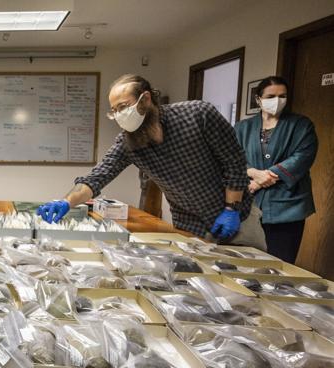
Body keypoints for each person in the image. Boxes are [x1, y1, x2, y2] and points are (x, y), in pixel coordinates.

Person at [38, 74, 266, 250]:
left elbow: (234, 162)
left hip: (238, 217)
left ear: (145, 98)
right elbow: (97, 177)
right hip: (190, 224)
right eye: (114, 111)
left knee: (254, 283)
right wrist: (67, 202)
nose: (119, 115)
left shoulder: (198, 114)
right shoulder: (128, 143)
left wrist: (231, 208)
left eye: (123, 107)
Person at [234, 76, 318, 263]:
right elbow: (232, 158)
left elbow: (302, 158)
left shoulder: (301, 125)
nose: (277, 101)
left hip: (288, 206)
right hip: (250, 205)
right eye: (271, 96)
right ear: (258, 99)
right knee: (247, 261)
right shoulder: (242, 127)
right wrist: (254, 174)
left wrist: (259, 182)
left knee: (280, 263)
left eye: (282, 96)